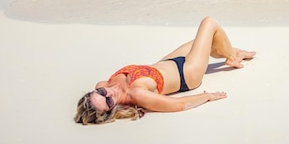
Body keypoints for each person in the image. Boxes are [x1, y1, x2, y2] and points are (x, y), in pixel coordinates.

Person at [74, 16, 255, 125]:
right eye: (108, 100)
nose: (108, 92)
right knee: (209, 23)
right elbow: (179, 105)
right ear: (112, 110)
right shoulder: (136, 94)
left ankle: (234, 54)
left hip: (167, 61)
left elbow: (102, 93)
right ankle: (233, 56)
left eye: (101, 92)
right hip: (187, 73)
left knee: (213, 44)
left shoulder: (103, 84)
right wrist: (206, 96)